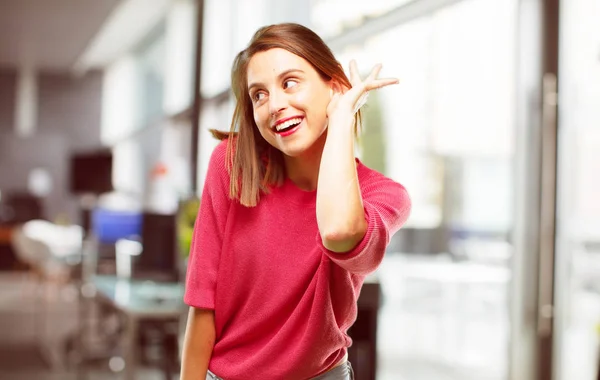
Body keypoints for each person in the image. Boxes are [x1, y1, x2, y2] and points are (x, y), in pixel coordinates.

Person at [181, 23, 411, 380]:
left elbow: (338, 232)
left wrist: (341, 120)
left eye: (290, 83)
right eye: (258, 95)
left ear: (334, 87)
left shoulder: (383, 195)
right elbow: (202, 302)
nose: (274, 105)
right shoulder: (232, 165)